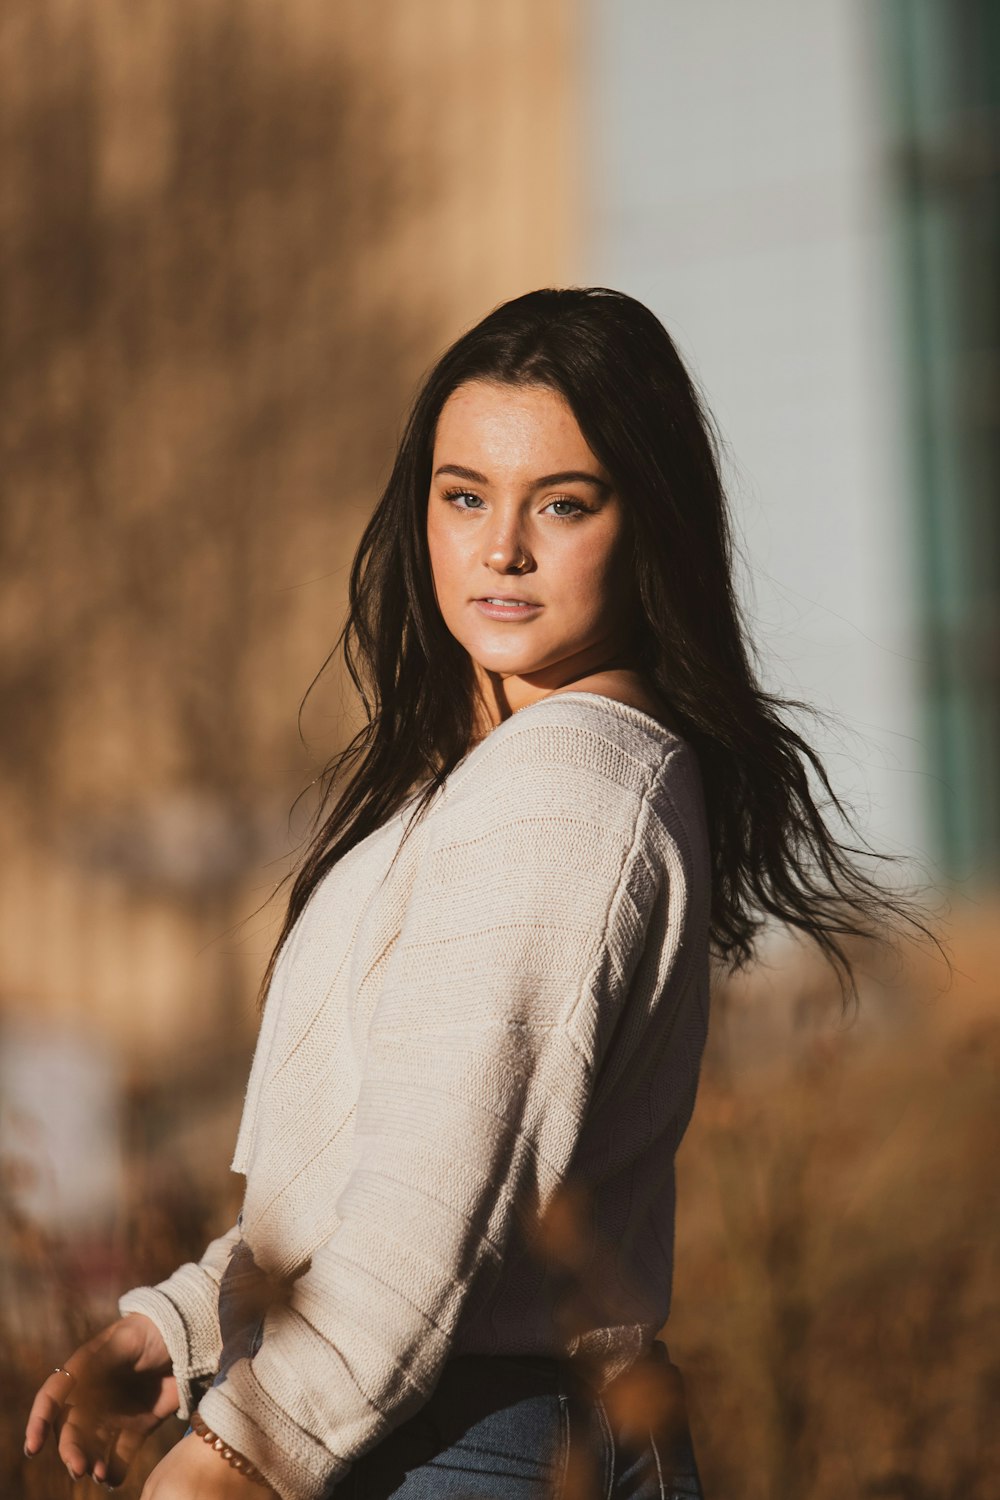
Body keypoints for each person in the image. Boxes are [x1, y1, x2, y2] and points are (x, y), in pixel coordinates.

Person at [23, 287, 943, 1499]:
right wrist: (195, 1320)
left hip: (463, 1444)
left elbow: (428, 1215)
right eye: (465, 496)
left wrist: (242, 1448)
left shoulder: (563, 786)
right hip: (440, 1427)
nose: (500, 548)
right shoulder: (503, 775)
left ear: (648, 524)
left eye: (562, 504)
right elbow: (403, 1147)